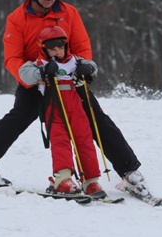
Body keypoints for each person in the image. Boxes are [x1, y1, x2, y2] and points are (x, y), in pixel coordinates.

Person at [0, 0, 152, 199]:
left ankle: (129, 172)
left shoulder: (69, 13)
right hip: (37, 80)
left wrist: (84, 65)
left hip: (68, 79)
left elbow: (81, 47)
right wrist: (32, 74)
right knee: (20, 116)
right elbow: (13, 58)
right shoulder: (17, 19)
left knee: (96, 117)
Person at [18, 25, 105, 196]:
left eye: (61, 48)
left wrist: (88, 70)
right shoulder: (40, 64)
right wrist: (42, 72)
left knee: (84, 139)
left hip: (77, 110)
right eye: (53, 49)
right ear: (44, 49)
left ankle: (91, 181)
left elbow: (92, 66)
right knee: (60, 141)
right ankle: (63, 178)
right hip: (54, 111)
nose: (58, 52)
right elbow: (24, 74)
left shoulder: (75, 61)